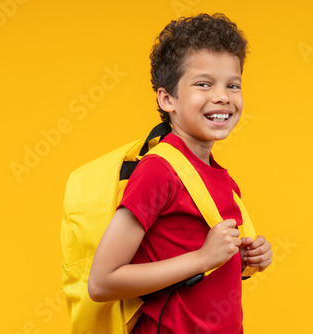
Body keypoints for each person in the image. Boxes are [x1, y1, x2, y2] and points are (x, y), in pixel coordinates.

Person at [88, 13, 272, 333]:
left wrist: (237, 261)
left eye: (233, 85)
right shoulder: (159, 171)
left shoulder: (219, 177)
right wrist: (204, 258)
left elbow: (191, 268)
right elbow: (102, 282)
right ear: (167, 98)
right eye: (203, 84)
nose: (222, 96)